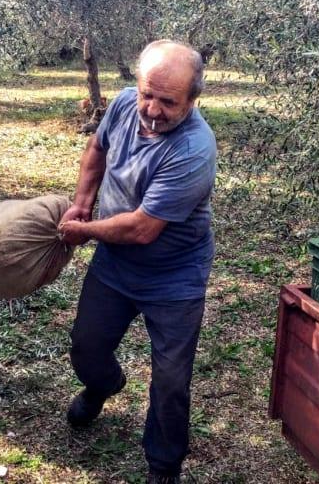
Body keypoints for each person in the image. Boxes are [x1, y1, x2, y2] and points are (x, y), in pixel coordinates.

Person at [58, 40, 216, 484]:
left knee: (170, 379)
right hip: (115, 263)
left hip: (174, 275)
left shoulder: (194, 150)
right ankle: (102, 384)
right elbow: (96, 149)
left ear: (193, 99)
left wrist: (81, 232)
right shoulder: (126, 105)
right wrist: (82, 203)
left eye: (168, 101)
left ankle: (163, 465)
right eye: (148, 93)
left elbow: (143, 228)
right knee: (87, 345)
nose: (152, 109)